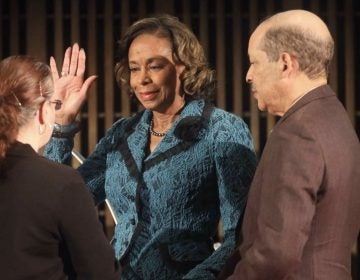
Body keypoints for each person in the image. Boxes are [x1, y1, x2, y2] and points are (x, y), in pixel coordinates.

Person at [44, 15, 257, 279]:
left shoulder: (222, 130)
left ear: (184, 67)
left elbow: (241, 238)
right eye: (134, 68)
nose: (142, 79)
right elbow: (60, 202)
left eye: (154, 66)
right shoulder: (122, 133)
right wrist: (62, 124)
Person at [218, 9, 360, 280]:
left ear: (285, 64)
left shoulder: (298, 132)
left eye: (254, 62)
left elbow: (275, 256)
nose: (248, 75)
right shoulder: (336, 118)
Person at [0, 55, 121, 279]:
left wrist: (61, 121)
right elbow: (102, 274)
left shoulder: (54, 182)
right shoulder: (61, 183)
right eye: (53, 105)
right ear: (44, 111)